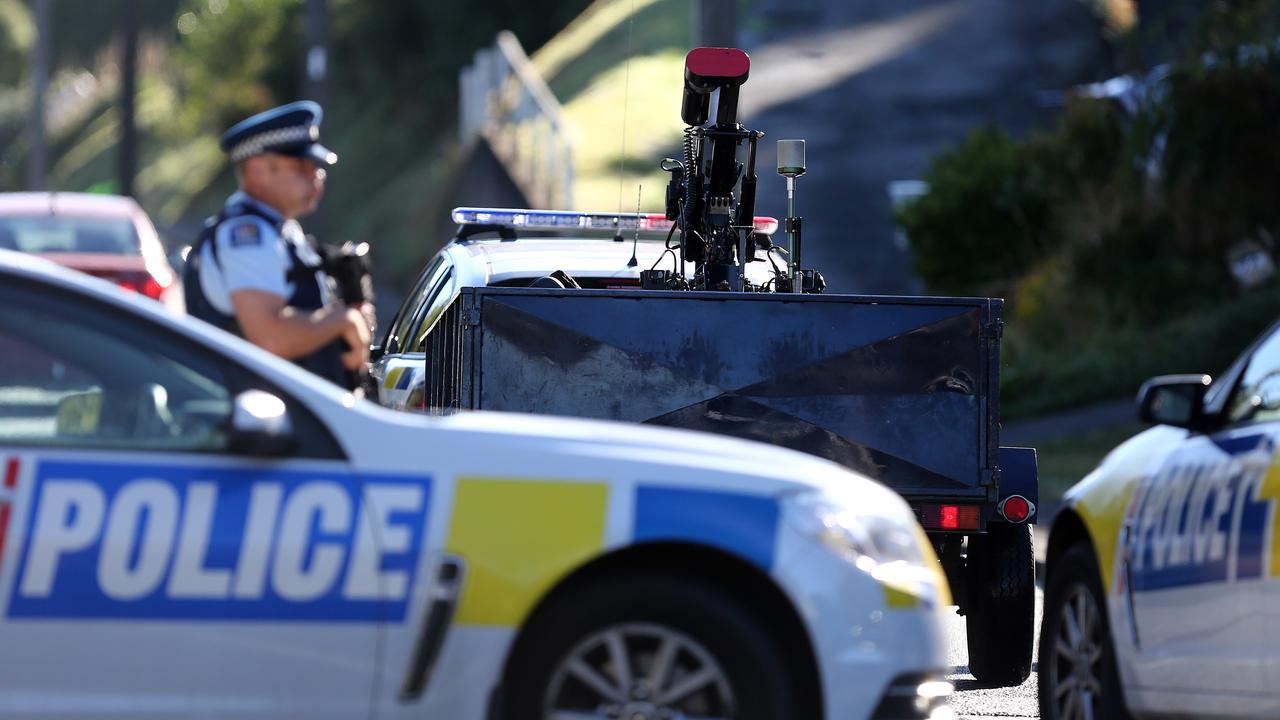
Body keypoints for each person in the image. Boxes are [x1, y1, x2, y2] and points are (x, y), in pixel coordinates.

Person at [184, 101, 372, 389]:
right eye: (301, 165)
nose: (316, 174)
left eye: (315, 166)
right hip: (259, 421)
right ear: (258, 170)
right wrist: (343, 320)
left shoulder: (279, 228)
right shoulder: (248, 236)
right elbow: (270, 337)